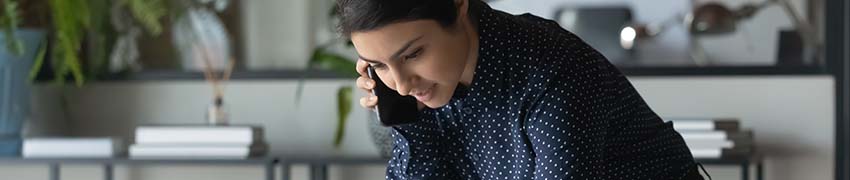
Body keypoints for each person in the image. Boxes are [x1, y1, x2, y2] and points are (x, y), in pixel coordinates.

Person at [337, 0, 705, 179]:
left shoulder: (553, 71)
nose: (400, 84)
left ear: (458, 7)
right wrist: (408, 122)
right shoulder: (423, 91)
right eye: (380, 65)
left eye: (413, 53)